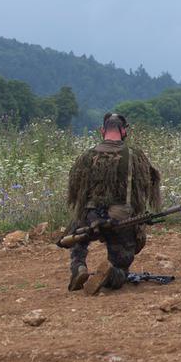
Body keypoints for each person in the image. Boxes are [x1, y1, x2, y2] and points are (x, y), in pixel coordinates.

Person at [66, 113, 162, 295]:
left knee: (76, 236)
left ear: (102, 131)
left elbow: (75, 190)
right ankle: (111, 273)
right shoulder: (134, 155)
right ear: (124, 131)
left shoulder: (86, 156)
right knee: (122, 265)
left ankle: (79, 267)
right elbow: (150, 181)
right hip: (120, 219)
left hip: (89, 216)